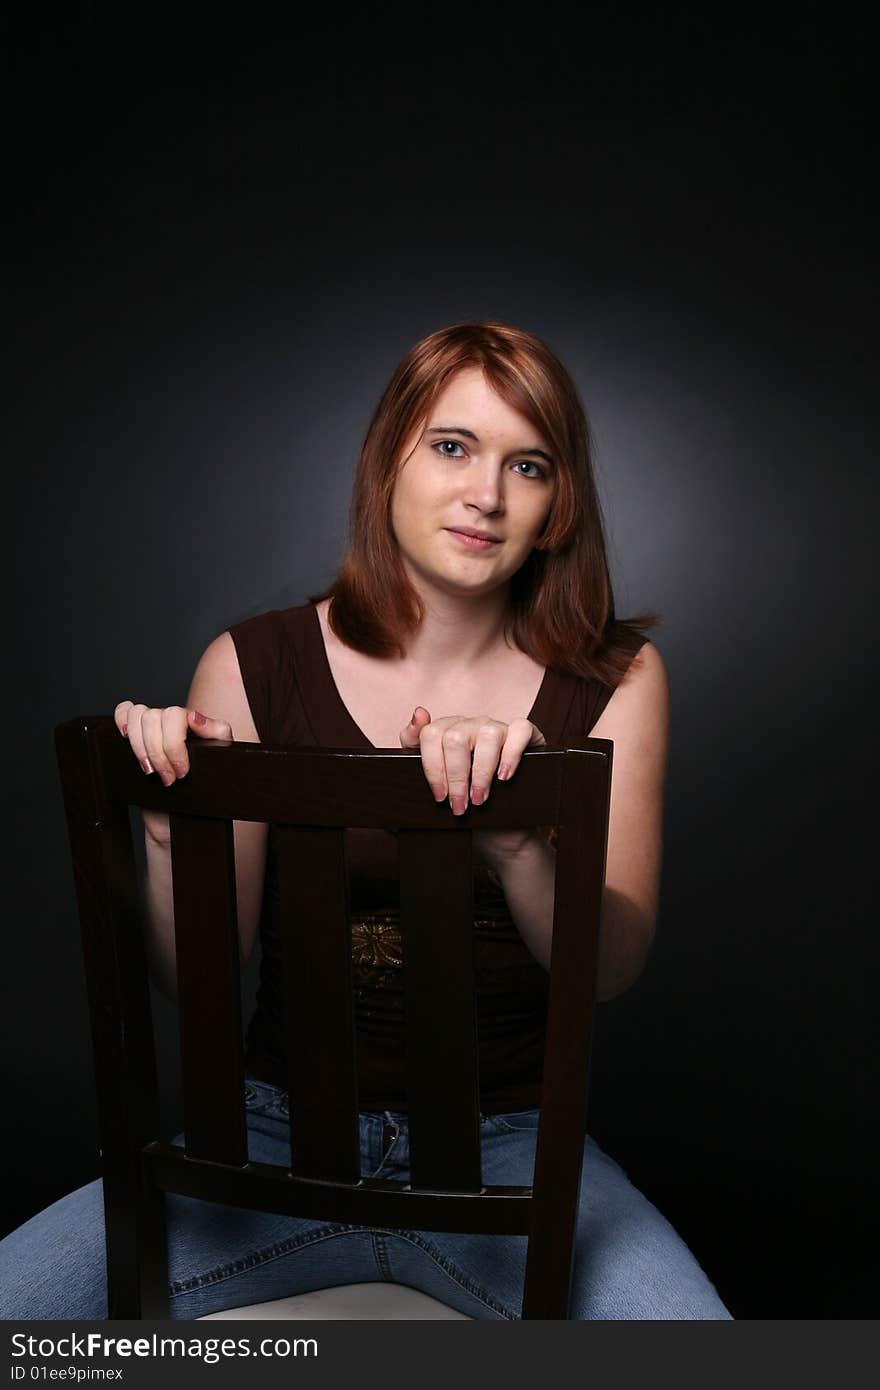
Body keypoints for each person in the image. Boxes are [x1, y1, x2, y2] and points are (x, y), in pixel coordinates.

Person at [0, 320, 732, 1320]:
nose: (487, 494)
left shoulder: (615, 677)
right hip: (263, 1139)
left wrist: (514, 836)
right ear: (386, 455)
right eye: (451, 446)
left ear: (559, 504)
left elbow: (608, 967)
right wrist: (172, 828)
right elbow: (193, 977)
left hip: (513, 1149)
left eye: (529, 464)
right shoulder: (250, 662)